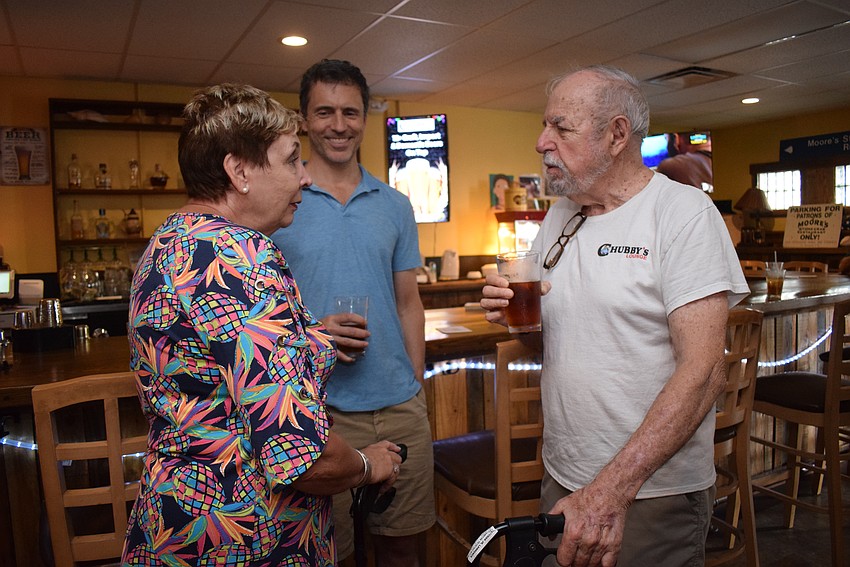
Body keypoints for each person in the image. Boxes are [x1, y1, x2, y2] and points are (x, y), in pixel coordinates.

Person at [122, 83, 403, 566]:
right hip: (243, 534)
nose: (306, 178)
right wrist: (366, 463)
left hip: (179, 522)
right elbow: (299, 458)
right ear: (240, 171)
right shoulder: (241, 256)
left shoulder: (171, 240)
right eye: (293, 159)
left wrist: (311, 337)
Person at [481, 66, 749, 567]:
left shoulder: (682, 213)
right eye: (545, 126)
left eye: (561, 128)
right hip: (564, 474)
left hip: (648, 492)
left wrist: (610, 491)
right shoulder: (562, 213)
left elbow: (705, 370)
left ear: (617, 135)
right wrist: (517, 321)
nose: (542, 142)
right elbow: (554, 342)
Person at [271, 60, 434, 567]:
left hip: (399, 406)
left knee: (404, 546)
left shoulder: (394, 204)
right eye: (324, 112)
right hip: (318, 410)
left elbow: (409, 301)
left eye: (350, 112)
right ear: (303, 118)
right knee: (329, 551)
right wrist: (313, 333)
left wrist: (416, 380)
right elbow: (261, 315)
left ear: (365, 117)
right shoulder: (279, 205)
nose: (338, 125)